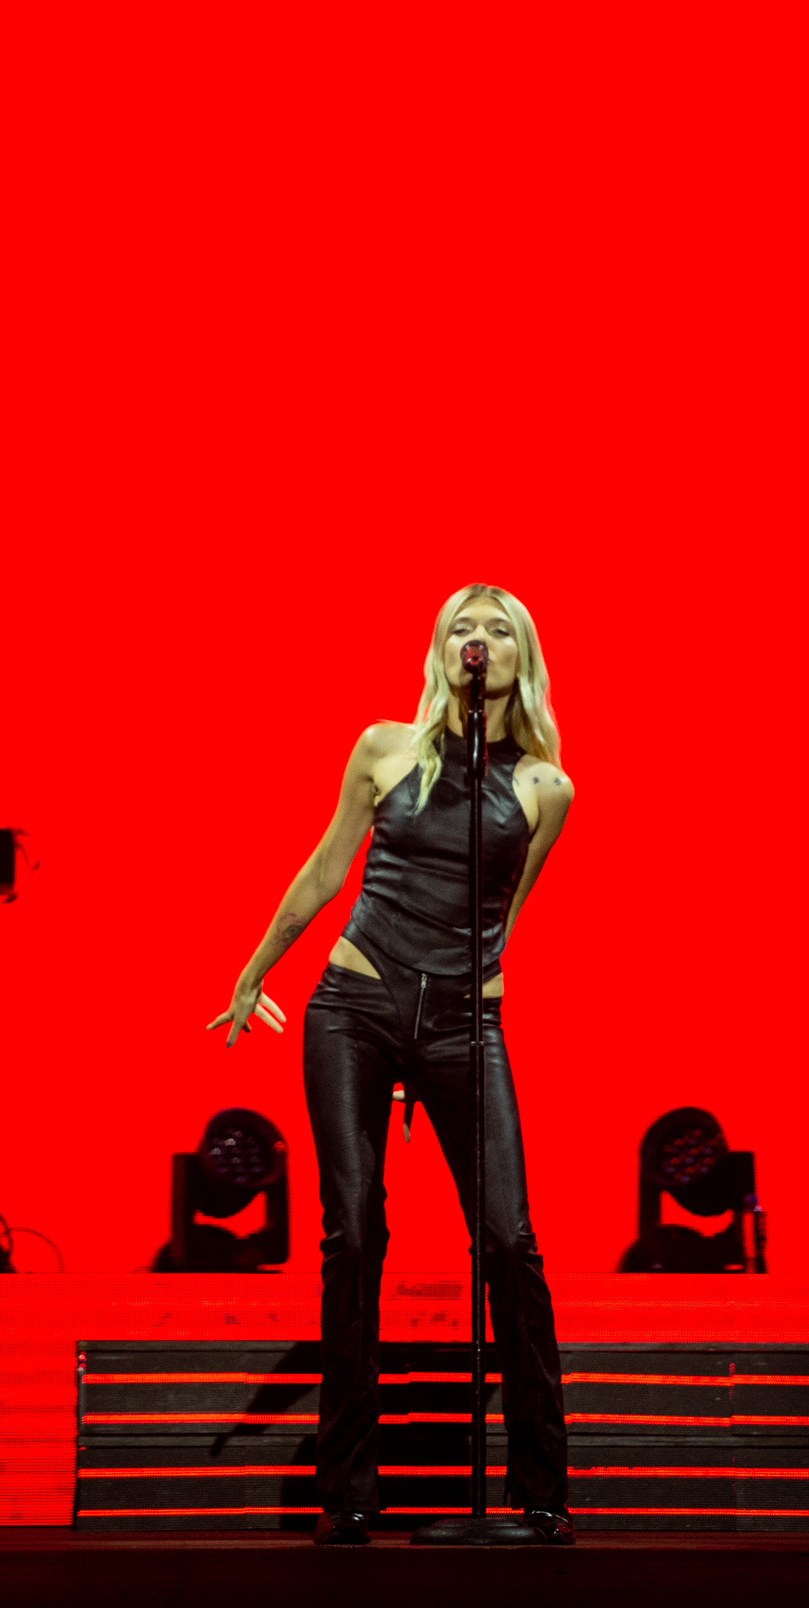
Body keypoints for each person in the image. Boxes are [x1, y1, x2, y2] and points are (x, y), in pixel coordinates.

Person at [208, 583, 578, 1546]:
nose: (478, 641)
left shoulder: (546, 789)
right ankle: (349, 1490)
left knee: (509, 1241)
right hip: (355, 1004)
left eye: (498, 630)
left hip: (462, 1022)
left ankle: (542, 1490)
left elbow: (503, 913)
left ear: (522, 658)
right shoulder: (384, 748)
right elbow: (327, 867)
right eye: (463, 627)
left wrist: (465, 1002)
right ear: (441, 649)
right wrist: (255, 971)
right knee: (354, 1233)